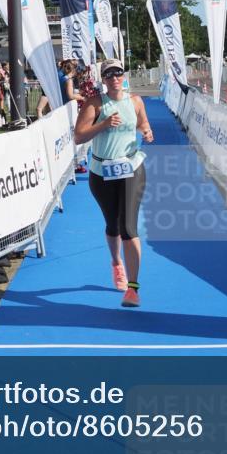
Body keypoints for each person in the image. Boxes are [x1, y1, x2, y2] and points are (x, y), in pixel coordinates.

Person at [73, 59, 154, 308]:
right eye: (109, 74)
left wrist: (147, 133)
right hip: (102, 172)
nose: (114, 77)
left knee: (128, 227)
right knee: (113, 225)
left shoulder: (135, 101)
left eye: (118, 73)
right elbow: (78, 136)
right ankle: (116, 262)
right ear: (103, 79)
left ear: (123, 75)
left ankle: (133, 288)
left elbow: (142, 123)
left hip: (131, 168)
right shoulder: (95, 103)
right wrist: (104, 124)